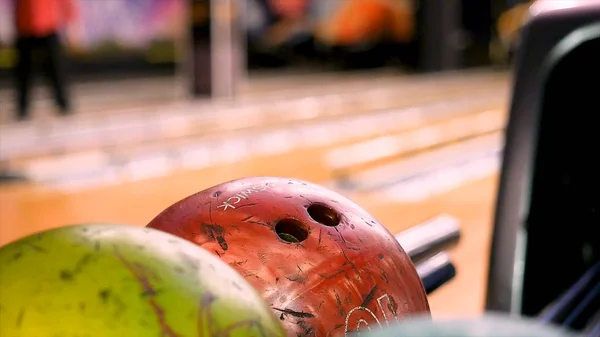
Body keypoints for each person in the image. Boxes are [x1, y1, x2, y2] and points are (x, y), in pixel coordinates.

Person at [13, 0, 79, 121]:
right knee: (24, 71)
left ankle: (63, 103)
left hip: (48, 24)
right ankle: (22, 107)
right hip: (25, 25)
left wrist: (71, 22)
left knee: (56, 68)